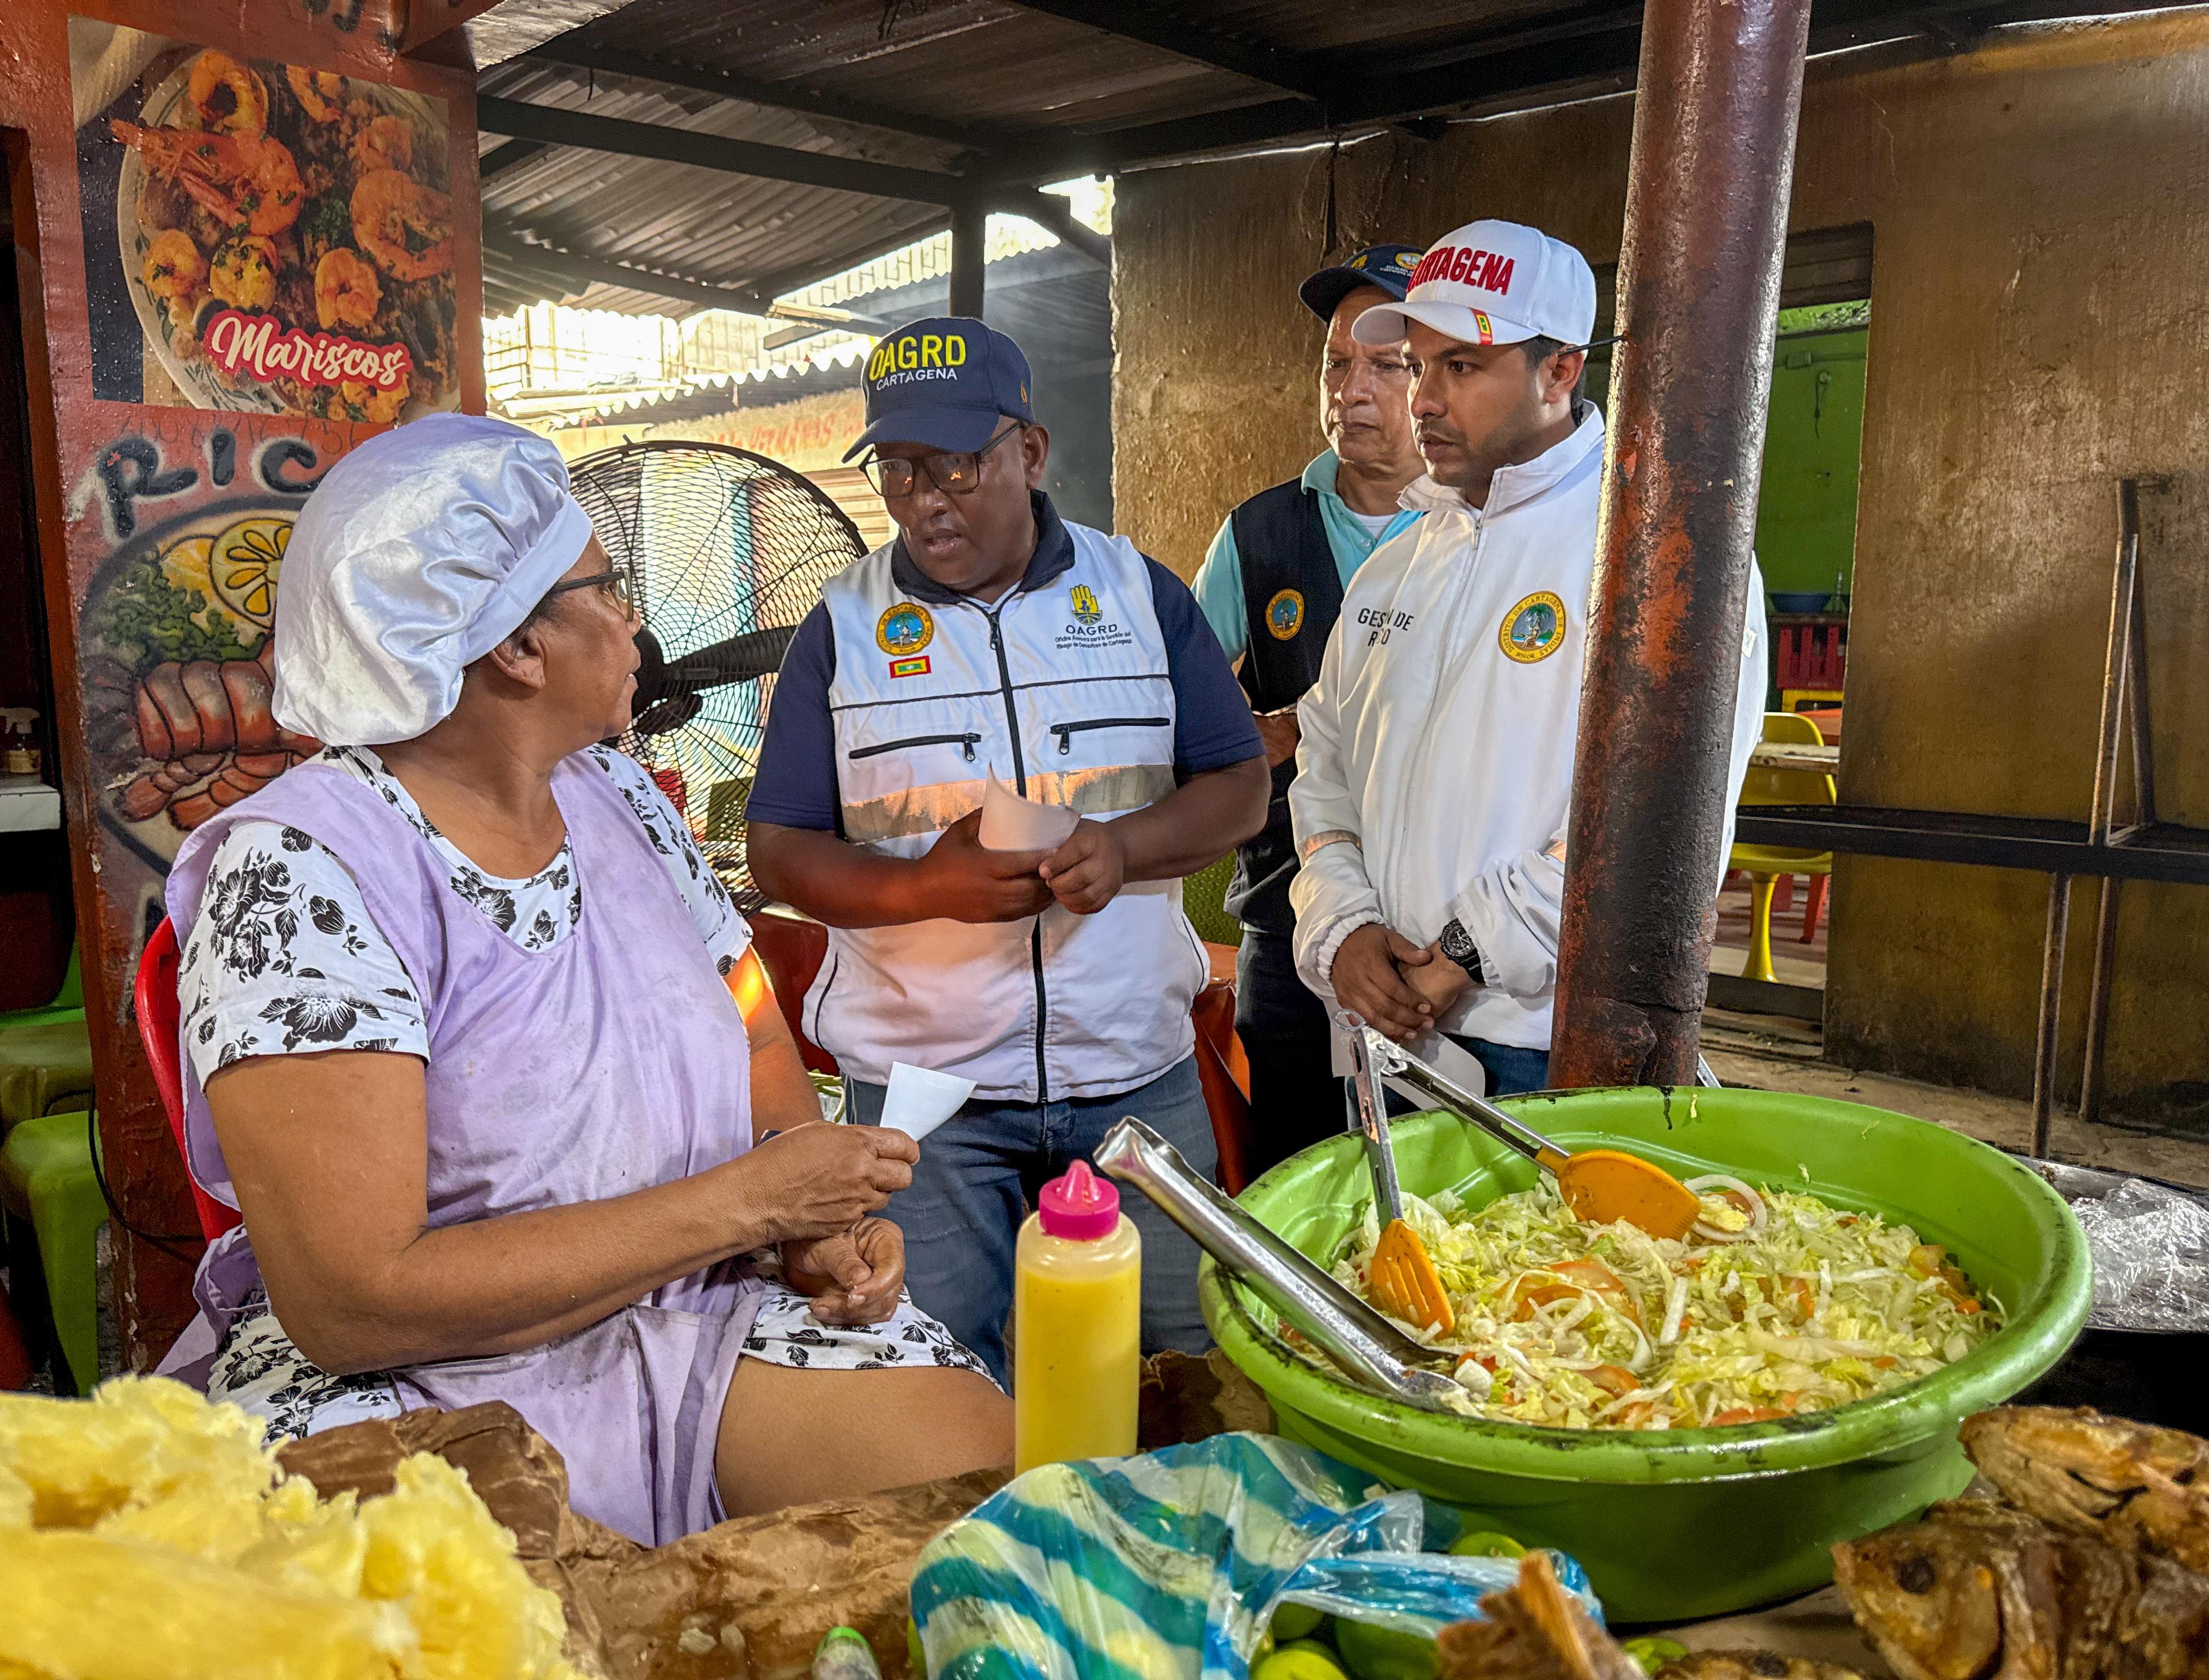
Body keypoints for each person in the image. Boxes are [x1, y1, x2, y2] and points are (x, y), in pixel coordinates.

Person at [156, 414, 1011, 1546]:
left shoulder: (624, 803)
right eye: (609, 590)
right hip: (419, 1379)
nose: (638, 623)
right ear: (516, 648)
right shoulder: (303, 872)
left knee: (992, 1518)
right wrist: (753, 1203)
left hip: (687, 1312)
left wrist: (809, 1213)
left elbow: (749, 1021)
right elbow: (356, 1301)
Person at [744, 317, 1270, 1378]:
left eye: (956, 465)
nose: (925, 500)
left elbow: (1241, 788)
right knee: (931, 1376)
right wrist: (924, 887)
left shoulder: (1138, 599)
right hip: (925, 1090)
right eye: (898, 472)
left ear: (1029, 453)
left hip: (1133, 1069)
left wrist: (1121, 849)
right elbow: (779, 852)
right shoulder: (840, 631)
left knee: (1187, 1364)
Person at [1288, 221, 1769, 1095]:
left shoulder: (1652, 557)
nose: (1423, 400)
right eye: (1420, 365)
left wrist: (1465, 956)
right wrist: (1344, 923)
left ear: (1560, 369)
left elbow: (1656, 818)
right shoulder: (1400, 565)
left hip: (1545, 1041)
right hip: (1388, 1031)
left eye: (1461, 368)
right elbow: (1324, 764)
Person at [1192, 243, 1428, 1179]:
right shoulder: (1259, 533)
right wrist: (1260, 736)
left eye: (1388, 365)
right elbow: (1184, 705)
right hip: (1287, 923)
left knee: (1423, 1180)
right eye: (1336, 363)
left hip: (1433, 937)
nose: (1351, 390)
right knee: (1295, 1174)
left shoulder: (1475, 534)